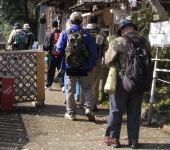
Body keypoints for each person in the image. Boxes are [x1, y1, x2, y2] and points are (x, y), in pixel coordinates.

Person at [103, 20, 151, 149]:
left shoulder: (119, 41)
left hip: (122, 80)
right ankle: (133, 140)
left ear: (123, 30)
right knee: (134, 112)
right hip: (139, 82)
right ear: (134, 29)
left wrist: (117, 66)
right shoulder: (145, 41)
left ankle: (113, 139)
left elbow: (107, 60)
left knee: (116, 110)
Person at [56, 12, 97, 121]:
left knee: (70, 91)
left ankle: (71, 113)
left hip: (70, 67)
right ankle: (88, 109)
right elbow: (93, 52)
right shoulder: (87, 34)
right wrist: (92, 64)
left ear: (71, 21)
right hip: (85, 66)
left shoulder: (65, 33)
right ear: (82, 21)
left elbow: (59, 49)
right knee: (87, 88)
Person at [84, 14, 109, 111]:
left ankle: (83, 102)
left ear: (88, 22)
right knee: (94, 83)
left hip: (84, 61)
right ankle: (92, 104)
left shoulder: (83, 31)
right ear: (97, 22)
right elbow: (106, 47)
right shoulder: (101, 33)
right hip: (96, 60)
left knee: (84, 82)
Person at [43, 20, 64, 91]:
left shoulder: (50, 34)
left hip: (52, 55)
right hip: (61, 55)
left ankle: (48, 85)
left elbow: (46, 46)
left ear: (52, 27)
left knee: (51, 70)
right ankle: (62, 86)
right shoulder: (62, 33)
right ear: (57, 26)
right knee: (60, 70)